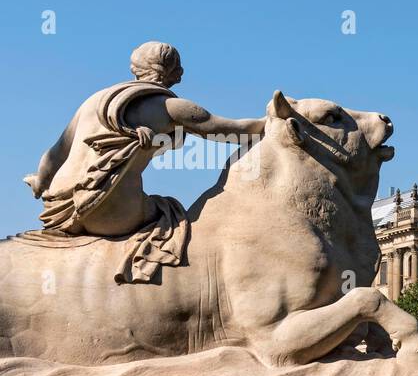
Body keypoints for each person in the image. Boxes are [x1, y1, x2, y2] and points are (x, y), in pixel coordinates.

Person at [24, 41, 265, 283]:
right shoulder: (172, 107)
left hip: (59, 210)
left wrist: (40, 182)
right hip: (108, 211)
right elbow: (235, 131)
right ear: (174, 72)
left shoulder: (94, 101)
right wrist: (277, 119)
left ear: (135, 68)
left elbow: (54, 154)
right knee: (170, 212)